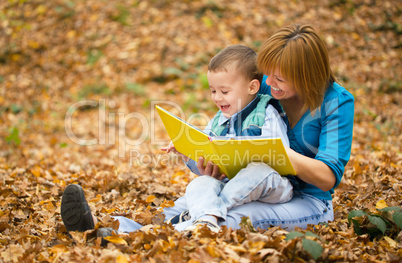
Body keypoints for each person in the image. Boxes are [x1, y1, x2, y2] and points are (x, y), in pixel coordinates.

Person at [61, 23, 354, 236]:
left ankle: (134, 239)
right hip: (244, 185)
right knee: (190, 201)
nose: (270, 83)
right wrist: (204, 155)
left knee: (232, 216)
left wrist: (281, 155)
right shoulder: (263, 87)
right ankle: (107, 228)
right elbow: (225, 129)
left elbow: (328, 177)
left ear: (305, 75)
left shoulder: (336, 103)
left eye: (280, 78)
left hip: (306, 201)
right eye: (267, 74)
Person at [161, 44, 293, 232]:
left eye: (224, 91)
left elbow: (280, 156)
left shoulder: (266, 113)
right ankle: (206, 219)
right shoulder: (218, 119)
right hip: (231, 185)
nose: (217, 98)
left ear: (252, 87)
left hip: (271, 183)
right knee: (201, 183)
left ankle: (200, 211)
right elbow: (205, 164)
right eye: (213, 91)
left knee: (256, 170)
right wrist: (187, 152)